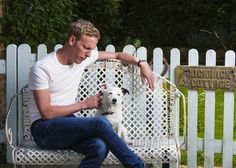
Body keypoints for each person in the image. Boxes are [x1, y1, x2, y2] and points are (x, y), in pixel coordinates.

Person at [29, 19, 154, 168]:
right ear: (72, 40)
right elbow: (46, 113)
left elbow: (118, 55)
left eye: (92, 49)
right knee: (100, 122)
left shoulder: (82, 58)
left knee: (100, 146)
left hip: (67, 124)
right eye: (86, 48)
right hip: (43, 130)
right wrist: (84, 104)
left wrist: (141, 62)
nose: (89, 54)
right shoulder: (42, 68)